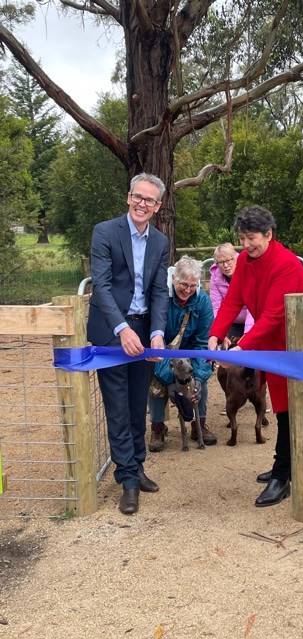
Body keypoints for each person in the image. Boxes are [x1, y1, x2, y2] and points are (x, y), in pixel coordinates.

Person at [208, 205, 303, 507]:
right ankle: (283, 467)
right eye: (241, 238)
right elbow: (233, 299)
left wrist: (241, 348)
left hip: (290, 347)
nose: (245, 244)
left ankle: (283, 476)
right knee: (280, 409)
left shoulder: (287, 265)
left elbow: (274, 315)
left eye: (251, 237)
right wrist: (216, 333)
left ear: (268, 234)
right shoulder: (243, 261)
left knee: (290, 409)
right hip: (267, 345)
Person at [87, 173, 169, 515]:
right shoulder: (105, 232)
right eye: (138, 196)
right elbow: (102, 287)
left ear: (158, 206)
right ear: (128, 197)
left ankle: (136, 465)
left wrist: (157, 332)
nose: (142, 204)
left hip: (143, 332)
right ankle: (128, 481)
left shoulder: (161, 242)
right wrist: (122, 329)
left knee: (139, 405)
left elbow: (160, 291)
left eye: (149, 200)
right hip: (111, 333)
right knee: (118, 408)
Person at [148, 256, 216, 450]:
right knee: (157, 383)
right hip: (162, 347)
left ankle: (199, 424)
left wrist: (198, 377)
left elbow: (203, 341)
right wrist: (171, 379)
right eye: (183, 284)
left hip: (190, 350)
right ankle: (158, 427)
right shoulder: (160, 296)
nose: (187, 290)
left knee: (196, 383)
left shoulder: (202, 301)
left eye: (193, 286)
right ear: (173, 280)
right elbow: (153, 340)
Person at [210, 243, 254, 340]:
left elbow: (252, 307)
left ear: (235, 258)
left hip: (253, 319)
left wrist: (247, 333)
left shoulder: (248, 271)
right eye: (221, 262)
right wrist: (220, 332)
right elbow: (217, 307)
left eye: (228, 260)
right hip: (231, 321)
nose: (225, 265)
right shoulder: (215, 277)